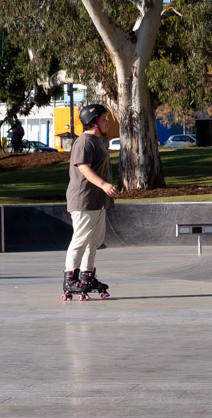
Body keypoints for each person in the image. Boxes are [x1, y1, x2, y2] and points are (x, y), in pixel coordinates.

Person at [63, 104, 119, 300]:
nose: (106, 122)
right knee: (80, 239)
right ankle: (70, 276)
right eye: (103, 118)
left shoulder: (97, 141)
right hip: (84, 199)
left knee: (94, 241)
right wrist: (104, 184)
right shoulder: (84, 142)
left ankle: (86, 276)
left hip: (97, 201)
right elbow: (83, 167)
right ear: (94, 121)